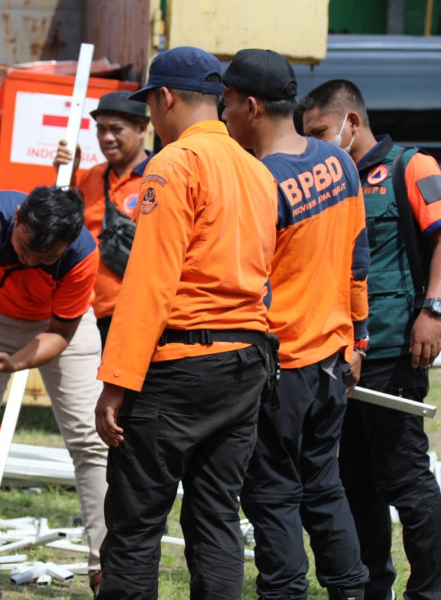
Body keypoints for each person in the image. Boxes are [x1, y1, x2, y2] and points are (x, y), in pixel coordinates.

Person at [94, 46, 278, 599]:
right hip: (245, 362)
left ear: (165, 98)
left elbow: (149, 281)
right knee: (217, 517)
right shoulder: (256, 170)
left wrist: (115, 383)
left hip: (179, 365)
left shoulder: (172, 164)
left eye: (149, 104)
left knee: (135, 524)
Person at [222, 49, 370, 600]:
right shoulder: (341, 163)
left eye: (228, 106)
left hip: (279, 367)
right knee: (325, 486)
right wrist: (358, 338)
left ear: (252, 106)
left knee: (273, 494)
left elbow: (250, 286)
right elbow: (358, 259)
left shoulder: (261, 182)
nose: (224, 118)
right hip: (333, 359)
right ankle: (350, 590)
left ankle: (284, 592)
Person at [302, 79, 441, 600]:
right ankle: (370, 590)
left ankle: (429, 591)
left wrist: (434, 310)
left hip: (395, 350)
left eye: (320, 130)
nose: (315, 141)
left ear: (351, 122)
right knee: (354, 481)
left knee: (404, 478)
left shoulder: (412, 167)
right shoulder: (328, 180)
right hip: (340, 355)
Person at [0, 185, 106, 600]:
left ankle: (107, 568)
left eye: (44, 258)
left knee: (91, 441)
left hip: (58, 325)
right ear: (19, 221)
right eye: (25, 247)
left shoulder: (82, 251)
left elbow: (61, 335)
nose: (29, 260)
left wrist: (17, 363)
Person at [53, 90, 152, 342]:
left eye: (116, 129)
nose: (107, 138)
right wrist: (66, 175)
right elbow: (60, 227)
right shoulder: (90, 177)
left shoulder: (160, 176)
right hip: (87, 312)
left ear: (142, 129)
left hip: (137, 315)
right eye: (100, 129)